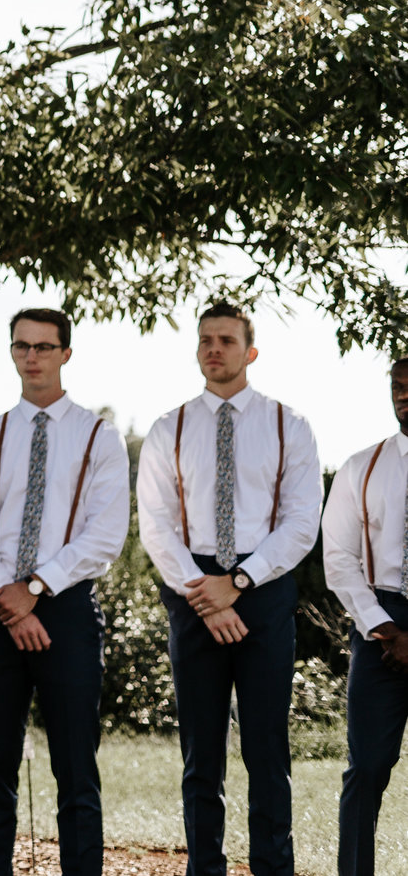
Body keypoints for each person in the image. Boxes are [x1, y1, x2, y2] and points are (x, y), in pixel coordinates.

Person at [133, 299, 319, 876]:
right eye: (206, 340)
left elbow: (301, 521)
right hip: (192, 592)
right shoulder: (170, 427)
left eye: (228, 340)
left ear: (251, 351)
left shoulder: (291, 426)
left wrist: (237, 582)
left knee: (267, 751)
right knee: (201, 755)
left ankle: (273, 868)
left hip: (262, 590)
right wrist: (204, 593)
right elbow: (156, 523)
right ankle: (205, 868)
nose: (215, 349)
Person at [0, 307, 129, 876]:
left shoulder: (99, 436)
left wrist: (37, 585)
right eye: (22, 346)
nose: (32, 357)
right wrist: (10, 599)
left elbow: (106, 532)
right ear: (12, 353)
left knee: (77, 770)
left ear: (65, 354)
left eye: (44, 347)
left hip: (68, 608)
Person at [320, 354, 408, 876]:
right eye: (397, 385)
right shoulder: (362, 466)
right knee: (367, 769)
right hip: (382, 622)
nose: (404, 394)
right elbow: (339, 559)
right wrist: (384, 626)